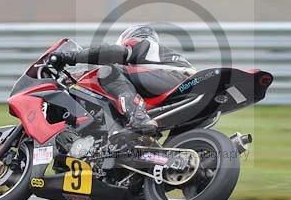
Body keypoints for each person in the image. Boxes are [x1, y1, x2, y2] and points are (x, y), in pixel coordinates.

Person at [50, 24, 195, 133]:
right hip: (186, 86)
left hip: (176, 79)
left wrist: (70, 57)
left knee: (108, 70)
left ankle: (138, 116)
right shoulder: (158, 57)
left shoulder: (141, 43)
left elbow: (110, 53)